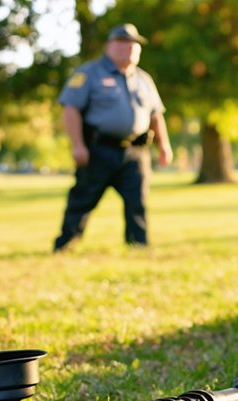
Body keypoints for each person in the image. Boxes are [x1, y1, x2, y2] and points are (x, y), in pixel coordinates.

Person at [53, 23, 173, 251]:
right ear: (109, 46)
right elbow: (70, 109)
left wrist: (163, 145)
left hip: (135, 151)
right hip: (99, 149)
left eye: (133, 45)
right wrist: (77, 145)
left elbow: (156, 114)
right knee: (83, 199)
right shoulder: (88, 74)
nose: (128, 49)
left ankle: (138, 245)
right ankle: (66, 244)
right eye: (122, 43)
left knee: (137, 201)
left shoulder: (144, 79)